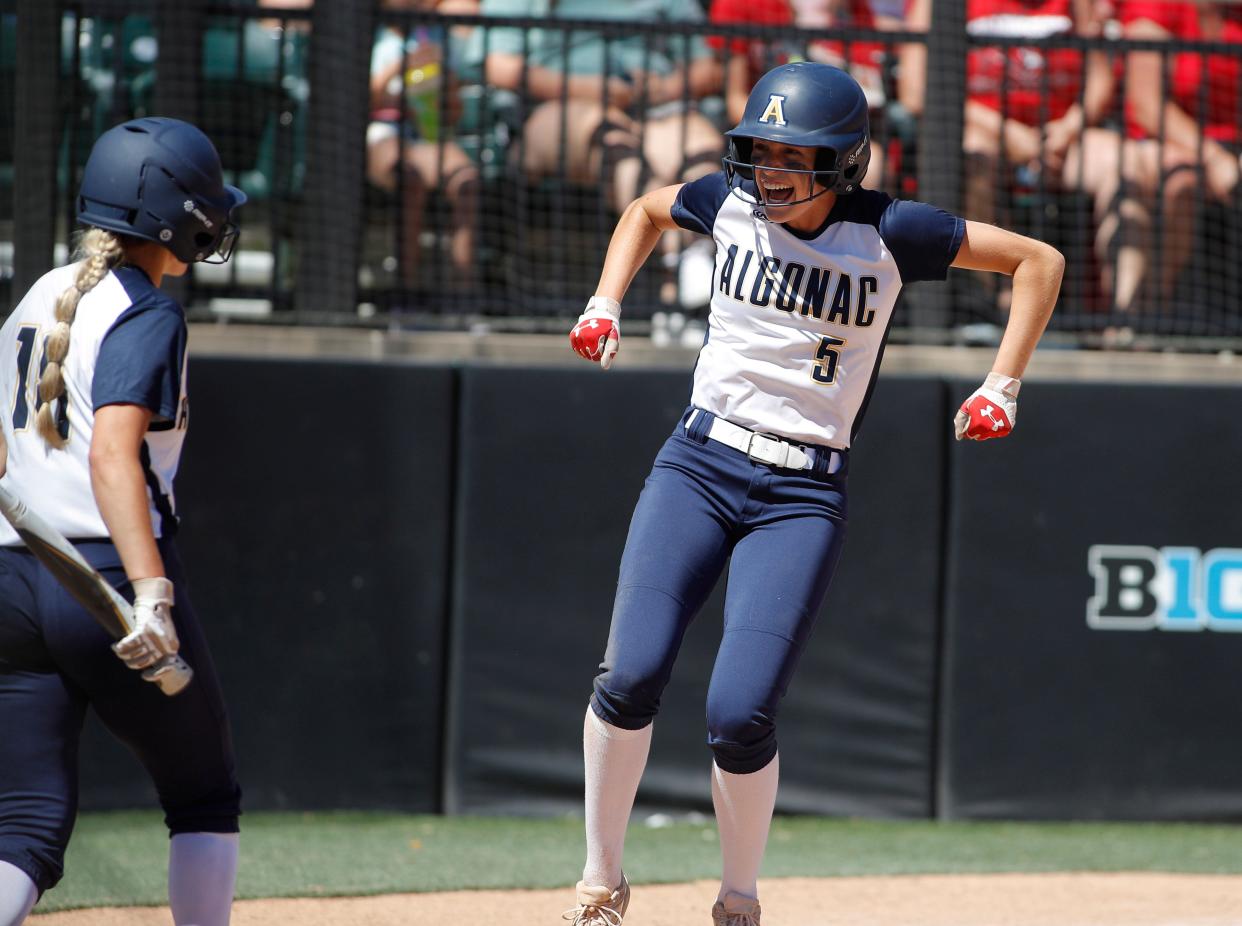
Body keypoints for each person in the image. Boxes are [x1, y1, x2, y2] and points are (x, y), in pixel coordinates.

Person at [564, 62, 1062, 926]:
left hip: (801, 490)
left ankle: (739, 900)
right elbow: (647, 208)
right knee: (630, 673)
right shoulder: (724, 202)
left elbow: (1038, 260)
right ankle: (599, 885)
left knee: (739, 712)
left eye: (791, 156)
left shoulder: (891, 231)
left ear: (842, 164)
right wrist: (607, 299)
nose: (767, 171)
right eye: (758, 150)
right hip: (698, 462)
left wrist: (1003, 385)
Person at [0, 117, 244, 926]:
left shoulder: (41, 291)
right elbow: (114, 456)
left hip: (11, 577)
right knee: (203, 794)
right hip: (98, 576)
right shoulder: (149, 312)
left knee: (24, 824)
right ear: (174, 220)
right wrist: (149, 592)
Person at [899, 0, 1196, 317]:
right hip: (981, 130)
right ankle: (1004, 302)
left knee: (1126, 164)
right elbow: (915, 91)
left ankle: (1126, 317)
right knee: (974, 155)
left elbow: (1099, 81)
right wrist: (1006, 132)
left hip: (1060, 136)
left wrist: (1068, 128)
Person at [477, 0, 724, 308]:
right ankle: (677, 260)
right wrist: (590, 89)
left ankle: (688, 279)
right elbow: (499, 66)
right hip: (558, 107)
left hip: (656, 110)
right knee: (615, 146)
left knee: (699, 148)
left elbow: (708, 68)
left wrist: (666, 88)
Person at [368, 0, 481, 291]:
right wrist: (402, 67)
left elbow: (453, 113)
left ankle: (462, 295)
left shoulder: (440, 39)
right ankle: (406, 291)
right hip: (384, 133)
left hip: (431, 138)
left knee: (467, 182)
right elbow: (361, 100)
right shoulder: (368, 35)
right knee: (410, 179)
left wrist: (447, 84)